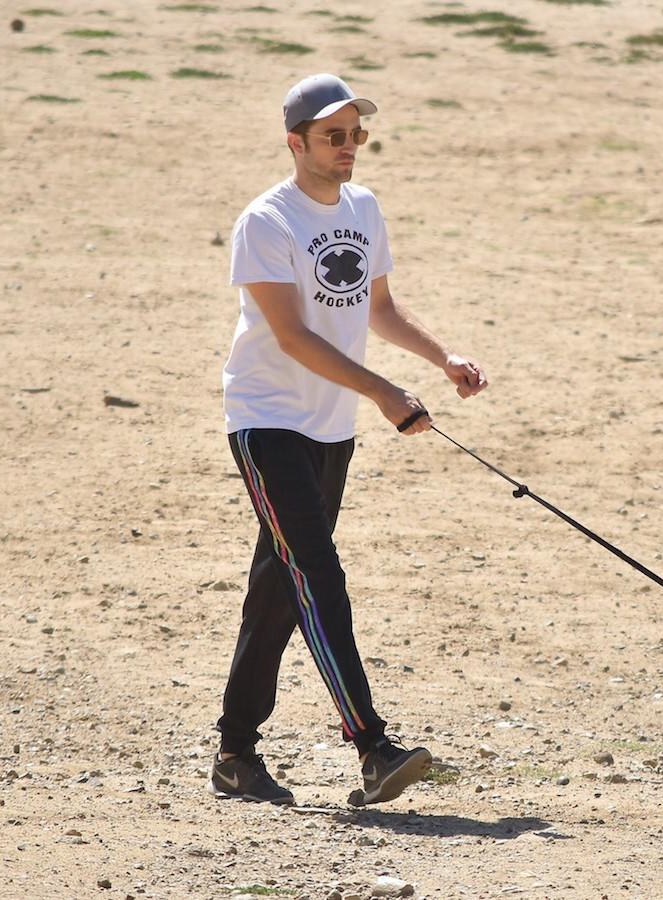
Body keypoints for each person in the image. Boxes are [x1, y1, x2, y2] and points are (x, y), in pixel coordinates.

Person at [211, 73, 488, 807]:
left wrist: (440, 360)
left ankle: (235, 755)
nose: (348, 148)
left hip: (330, 424)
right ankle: (371, 744)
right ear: (295, 141)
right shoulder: (266, 220)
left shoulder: (363, 208)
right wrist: (384, 393)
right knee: (318, 574)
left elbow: (379, 307)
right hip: (267, 419)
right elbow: (292, 335)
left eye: (355, 135)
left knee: (280, 585)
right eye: (332, 135)